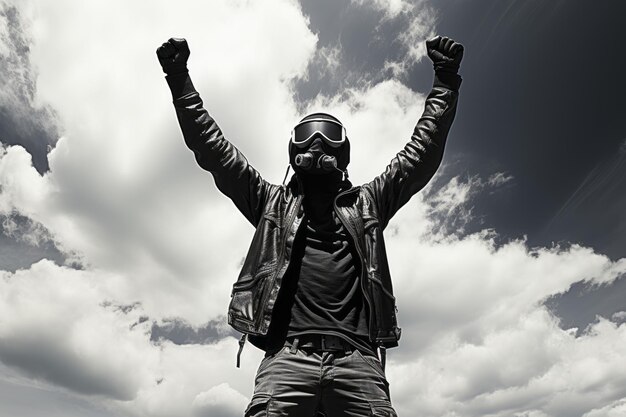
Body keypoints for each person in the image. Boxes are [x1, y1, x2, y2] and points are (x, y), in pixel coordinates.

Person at [157, 34, 463, 417]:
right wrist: (178, 76)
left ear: (342, 154)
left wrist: (446, 80)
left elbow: (421, 153)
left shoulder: (370, 202)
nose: (317, 142)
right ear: (294, 152)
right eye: (306, 135)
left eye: (328, 135)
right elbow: (213, 149)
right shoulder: (271, 203)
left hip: (359, 361)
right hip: (287, 358)